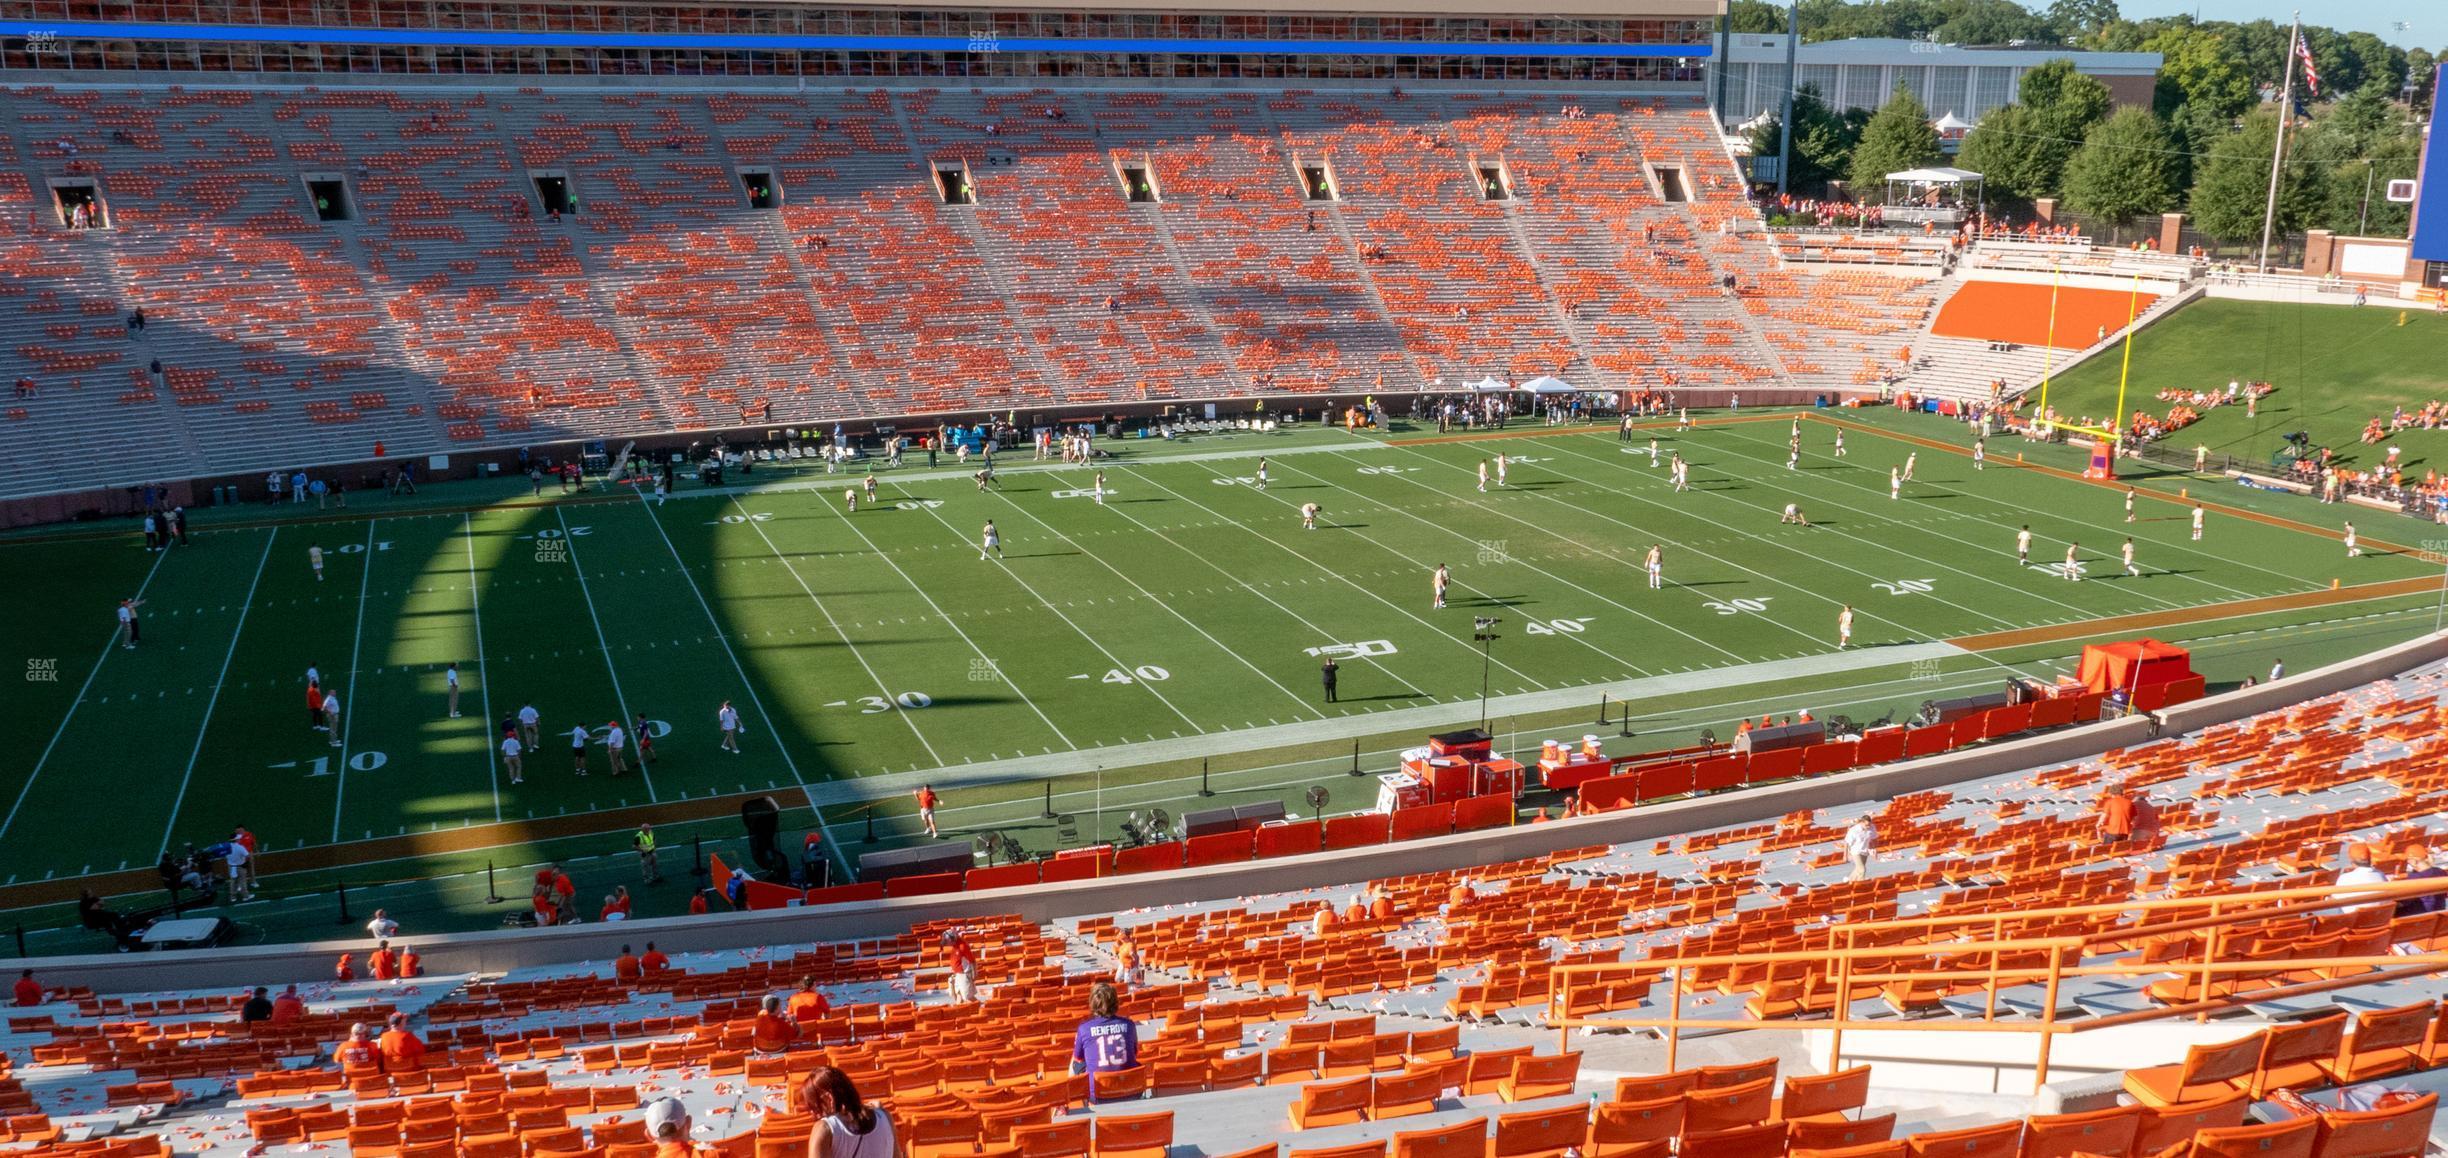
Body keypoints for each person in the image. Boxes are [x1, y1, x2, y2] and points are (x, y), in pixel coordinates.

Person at [804, 1068, 893, 1158]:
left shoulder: (824, 1129)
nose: (812, 1114)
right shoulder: (885, 1117)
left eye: (813, 1107)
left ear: (829, 1098)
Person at [1070, 981, 1140, 1094]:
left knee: (1074, 1059)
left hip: (1099, 1092)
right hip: (1130, 1087)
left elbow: (1078, 1058)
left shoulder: (1084, 1029)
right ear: (1115, 1002)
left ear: (1092, 1003)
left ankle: (1070, 1098)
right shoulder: (1129, 1025)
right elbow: (1134, 1053)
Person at [2337, 843, 2392, 912]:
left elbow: (2335, 899)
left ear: (2351, 860)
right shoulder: (2380, 874)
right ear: (2370, 858)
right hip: (2379, 917)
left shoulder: (2344, 878)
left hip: (2354, 919)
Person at [1843, 815, 1876, 882]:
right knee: (1862, 869)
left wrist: (1874, 850)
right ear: (1862, 823)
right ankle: (1860, 884)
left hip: (1865, 850)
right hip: (1855, 851)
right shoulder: (1854, 830)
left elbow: (1874, 839)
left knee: (1858, 869)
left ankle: (1849, 880)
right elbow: (1846, 842)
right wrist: (1845, 856)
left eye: (1869, 824)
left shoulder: (1872, 827)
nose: (1868, 826)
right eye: (1866, 825)